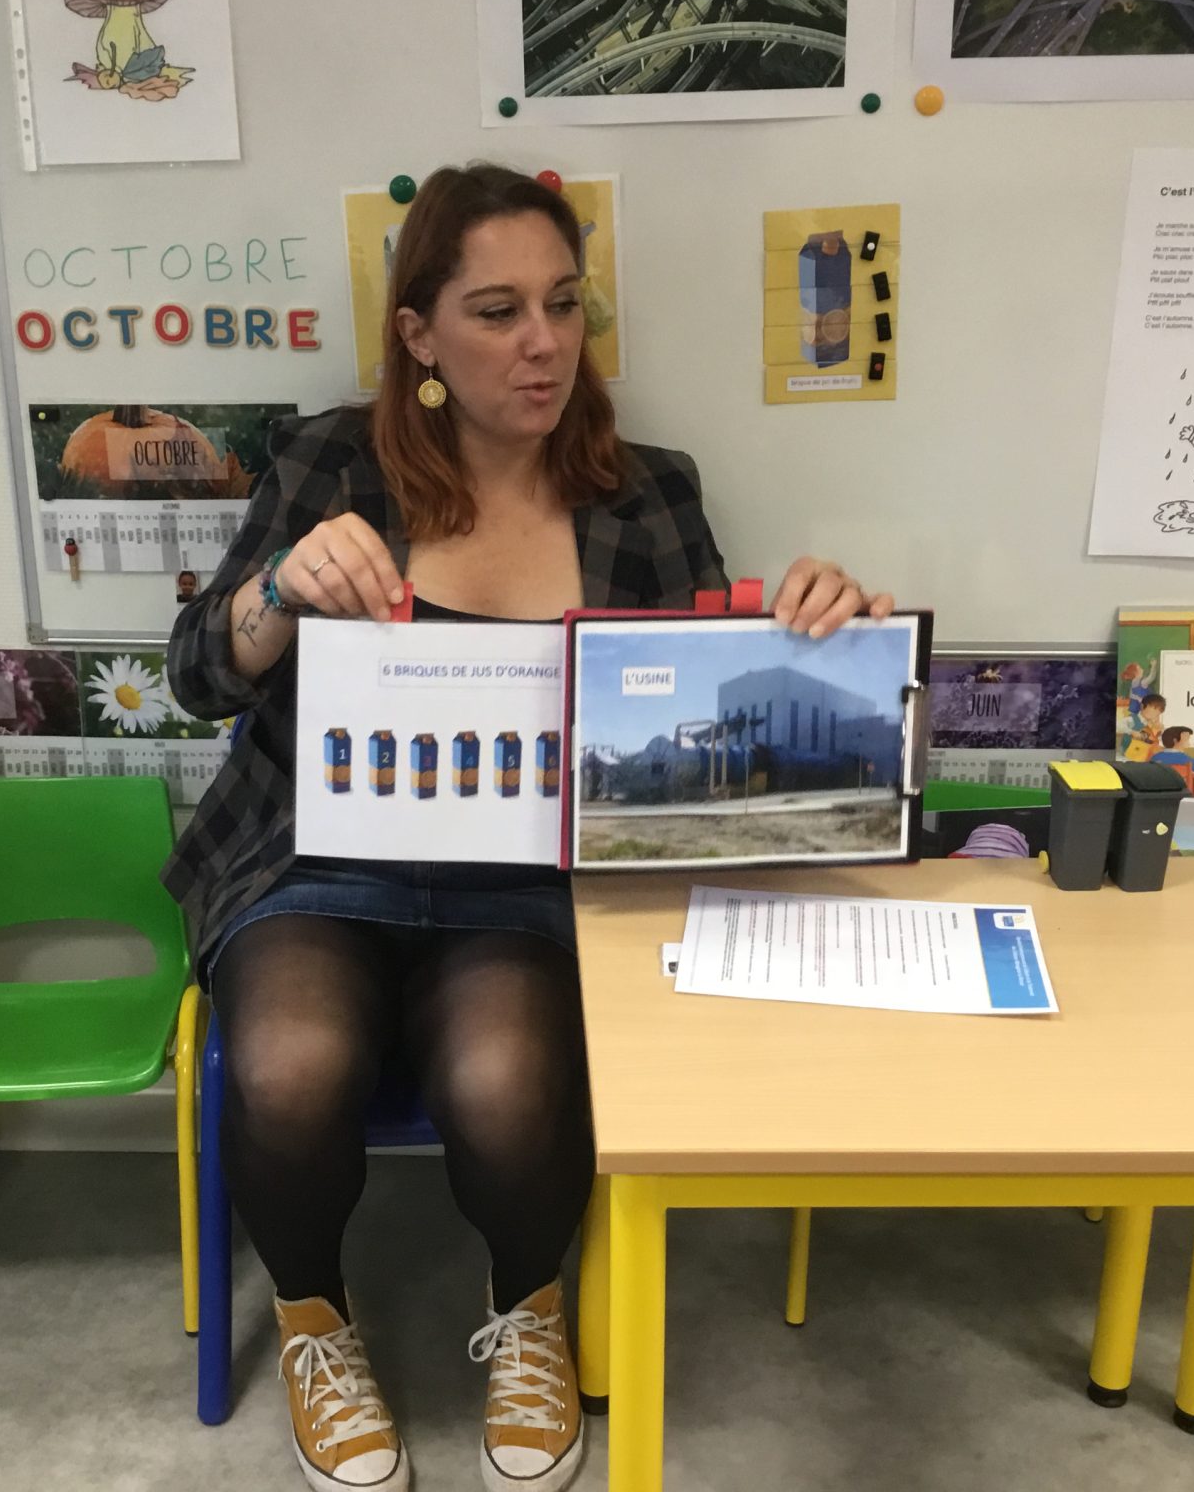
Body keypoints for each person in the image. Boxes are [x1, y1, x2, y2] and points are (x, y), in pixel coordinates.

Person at [161, 163, 891, 1492]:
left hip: (527, 880)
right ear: (420, 334)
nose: (543, 342)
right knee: (288, 1065)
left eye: (564, 304)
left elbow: (710, 716)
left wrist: (818, 632)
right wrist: (277, 588)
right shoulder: (331, 463)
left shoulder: (646, 493)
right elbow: (199, 674)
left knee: (506, 1084)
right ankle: (315, 1320)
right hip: (317, 862)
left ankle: (529, 1307)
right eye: (496, 311)